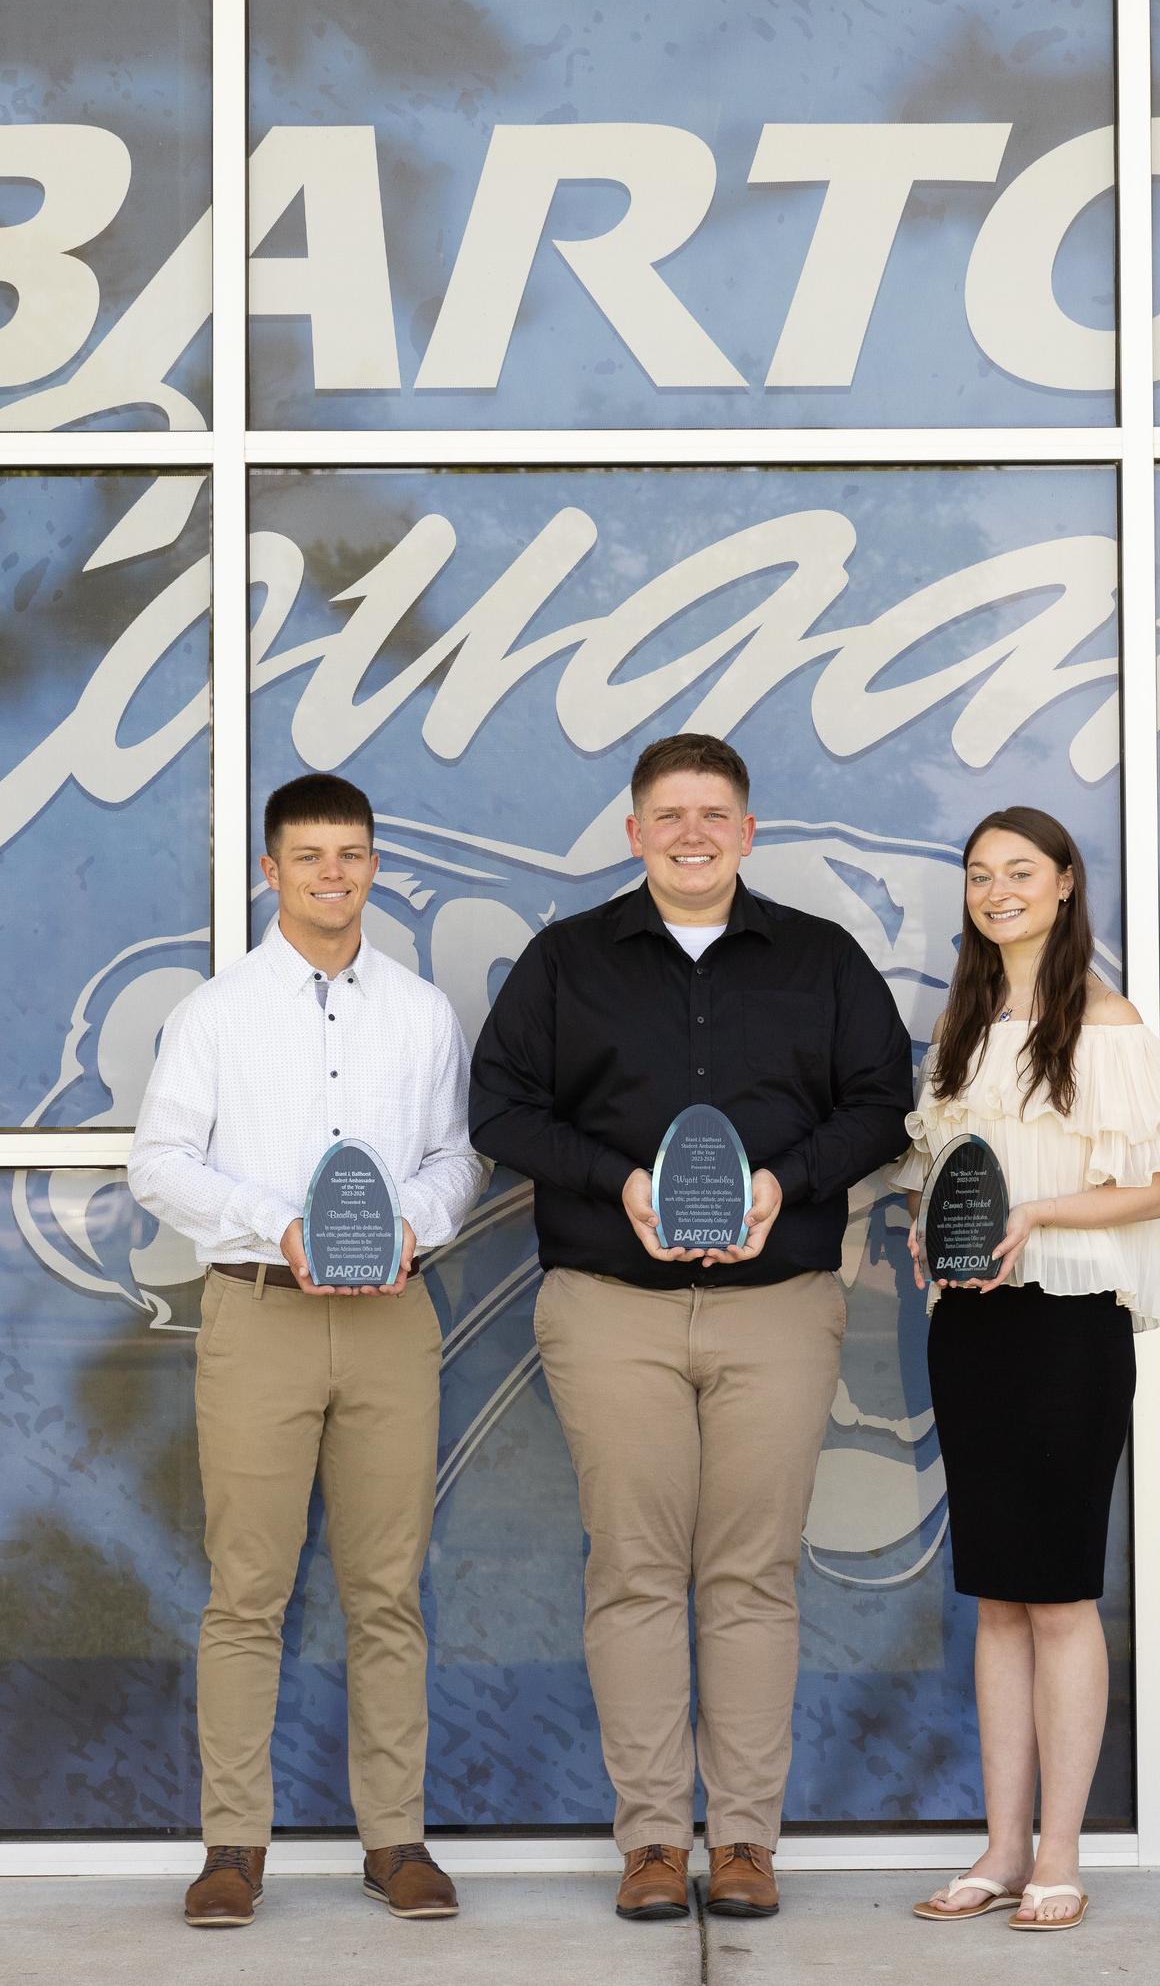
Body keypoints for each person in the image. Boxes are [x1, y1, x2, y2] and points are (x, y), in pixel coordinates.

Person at [469, 733, 913, 1921]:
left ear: (748, 829)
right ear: (633, 832)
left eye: (713, 812)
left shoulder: (820, 959)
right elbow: (497, 1106)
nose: (691, 831)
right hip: (611, 1310)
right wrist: (618, 1179)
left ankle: (749, 1842)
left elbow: (883, 1102)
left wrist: (787, 1180)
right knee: (634, 1573)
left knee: (753, 1576)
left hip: (779, 1309)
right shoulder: (567, 961)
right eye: (667, 814)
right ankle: (655, 1840)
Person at [128, 773, 485, 1929]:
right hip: (259, 1310)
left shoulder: (422, 1012)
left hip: (391, 1318)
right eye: (311, 855)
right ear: (268, 873)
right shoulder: (216, 1012)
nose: (335, 873)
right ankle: (232, 1845)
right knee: (248, 1592)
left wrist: (409, 1224)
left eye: (354, 853)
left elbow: (456, 1159)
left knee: (387, 1592)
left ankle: (397, 1840)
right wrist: (272, 1221)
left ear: (376, 866)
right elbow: (160, 1160)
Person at [896, 807, 1160, 1932]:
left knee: (1061, 1594)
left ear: (1066, 884)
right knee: (996, 1601)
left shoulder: (1104, 1020)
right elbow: (946, 1167)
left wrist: (1037, 1212)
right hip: (969, 1328)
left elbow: (1159, 1182)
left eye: (1019, 871)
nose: (997, 888)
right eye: (980, 873)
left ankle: (1060, 1850)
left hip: (1069, 1323)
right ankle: (999, 1845)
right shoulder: (962, 1022)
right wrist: (940, 1228)